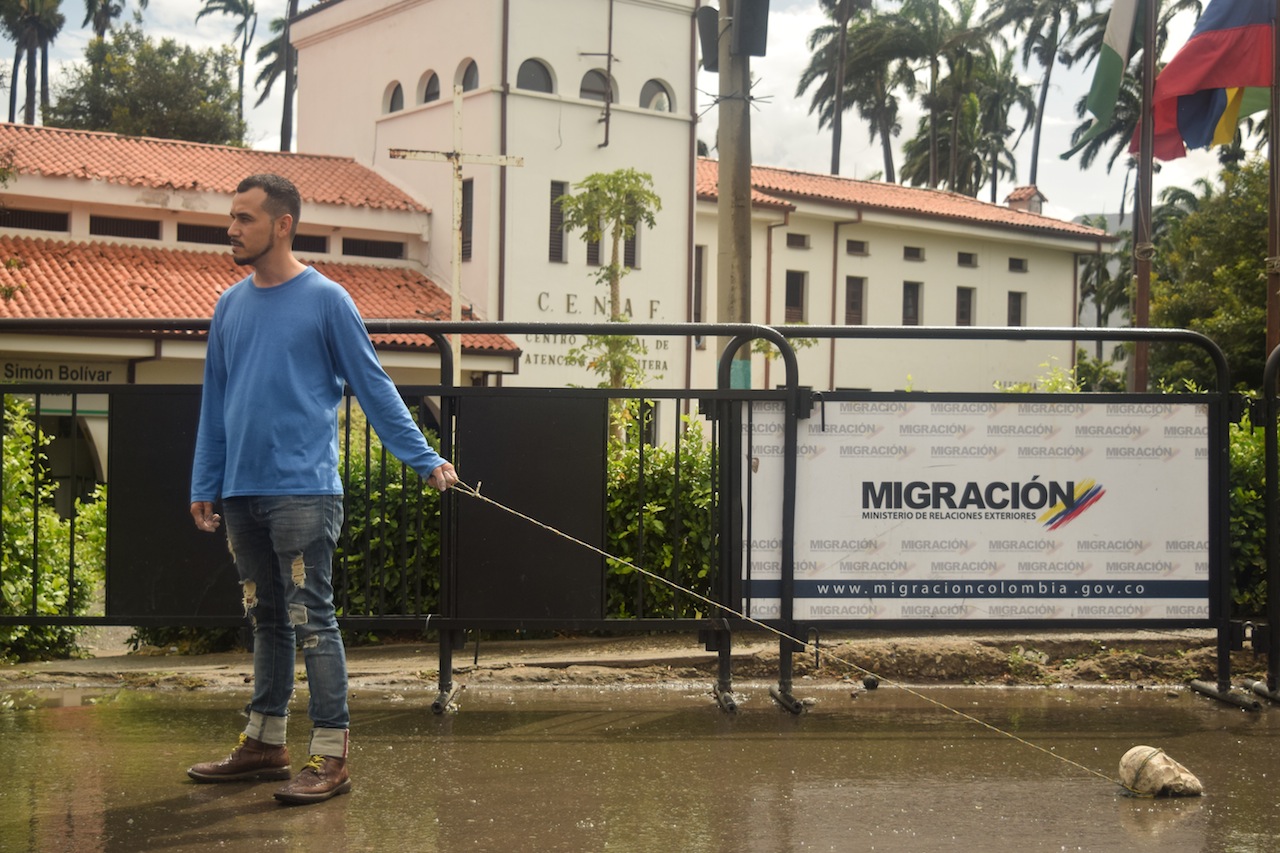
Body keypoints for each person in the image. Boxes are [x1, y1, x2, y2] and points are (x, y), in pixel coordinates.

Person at [186, 173, 458, 805]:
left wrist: (424, 458)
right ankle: (265, 744)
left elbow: (373, 383)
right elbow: (215, 402)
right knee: (265, 616)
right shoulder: (229, 305)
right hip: (240, 492)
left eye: (245, 218)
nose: (232, 229)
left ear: (282, 224)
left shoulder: (327, 299)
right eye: (231, 217)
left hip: (304, 492)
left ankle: (331, 755)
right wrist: (206, 479)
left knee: (312, 619)